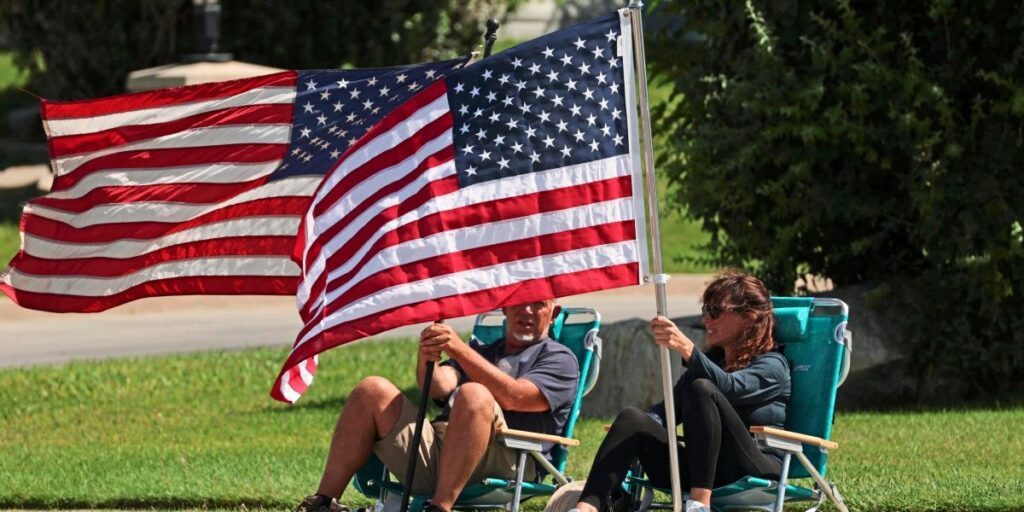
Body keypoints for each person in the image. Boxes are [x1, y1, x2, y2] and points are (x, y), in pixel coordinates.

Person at [297, 299, 579, 512]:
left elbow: (514, 396)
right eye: (518, 303)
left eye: (538, 304)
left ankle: (439, 507)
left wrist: (459, 349)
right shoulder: (482, 351)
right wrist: (428, 355)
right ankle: (323, 502)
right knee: (371, 390)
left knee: (473, 394)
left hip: (509, 456)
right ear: (505, 307)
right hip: (442, 449)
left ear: (554, 313)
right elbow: (437, 386)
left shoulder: (560, 359)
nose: (526, 311)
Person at [572, 271, 790, 512]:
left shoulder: (772, 365)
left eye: (715, 311)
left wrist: (688, 349)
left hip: (754, 466)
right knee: (633, 418)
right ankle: (586, 507)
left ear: (749, 317)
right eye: (705, 310)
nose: (706, 319)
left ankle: (699, 505)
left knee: (702, 387)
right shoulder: (710, 366)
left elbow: (731, 387)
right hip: (705, 470)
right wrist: (630, 435)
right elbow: (663, 415)